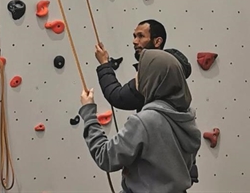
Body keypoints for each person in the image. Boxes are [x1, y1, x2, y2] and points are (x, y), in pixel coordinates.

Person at [80, 49, 202, 193]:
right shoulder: (186, 115)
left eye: (141, 71)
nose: (136, 76)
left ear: (153, 77)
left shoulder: (145, 121)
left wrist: (88, 112)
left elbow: (105, 157)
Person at [94, 19, 192, 112]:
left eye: (141, 36)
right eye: (135, 36)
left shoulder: (154, 71)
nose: (135, 41)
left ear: (157, 41)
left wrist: (104, 63)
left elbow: (118, 97)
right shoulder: (172, 68)